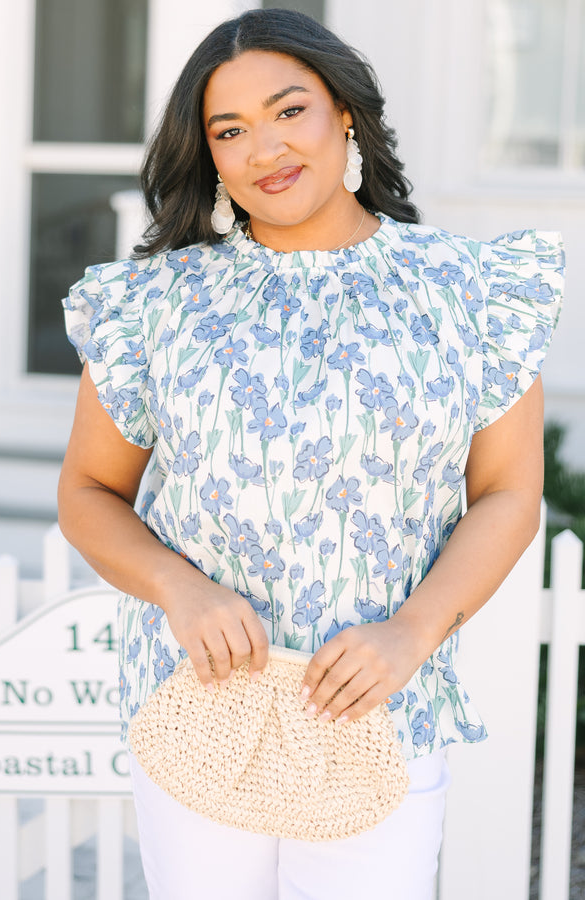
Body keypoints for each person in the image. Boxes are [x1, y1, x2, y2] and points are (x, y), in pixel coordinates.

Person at [57, 8, 564, 900]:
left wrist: (413, 631)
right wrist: (179, 586)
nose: (266, 148)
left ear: (346, 115)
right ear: (209, 155)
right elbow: (89, 490)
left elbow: (508, 496)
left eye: (290, 110)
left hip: (380, 708)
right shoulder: (156, 303)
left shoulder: (473, 290)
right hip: (200, 707)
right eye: (231, 130)